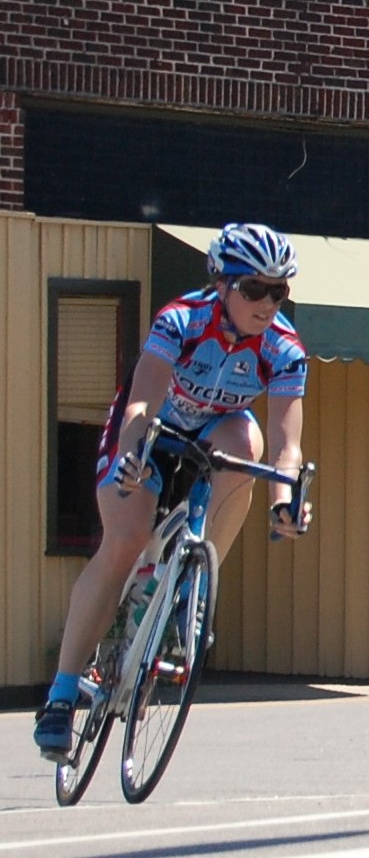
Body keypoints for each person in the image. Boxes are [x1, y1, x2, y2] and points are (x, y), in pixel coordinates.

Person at [33, 223, 312, 760]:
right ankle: (62, 697)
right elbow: (140, 405)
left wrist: (286, 501)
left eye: (279, 291)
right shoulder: (181, 320)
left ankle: (195, 584)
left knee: (247, 440)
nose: (267, 302)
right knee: (125, 540)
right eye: (254, 288)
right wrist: (134, 458)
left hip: (215, 435)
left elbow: (287, 445)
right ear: (223, 285)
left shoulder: (284, 349)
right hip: (150, 431)